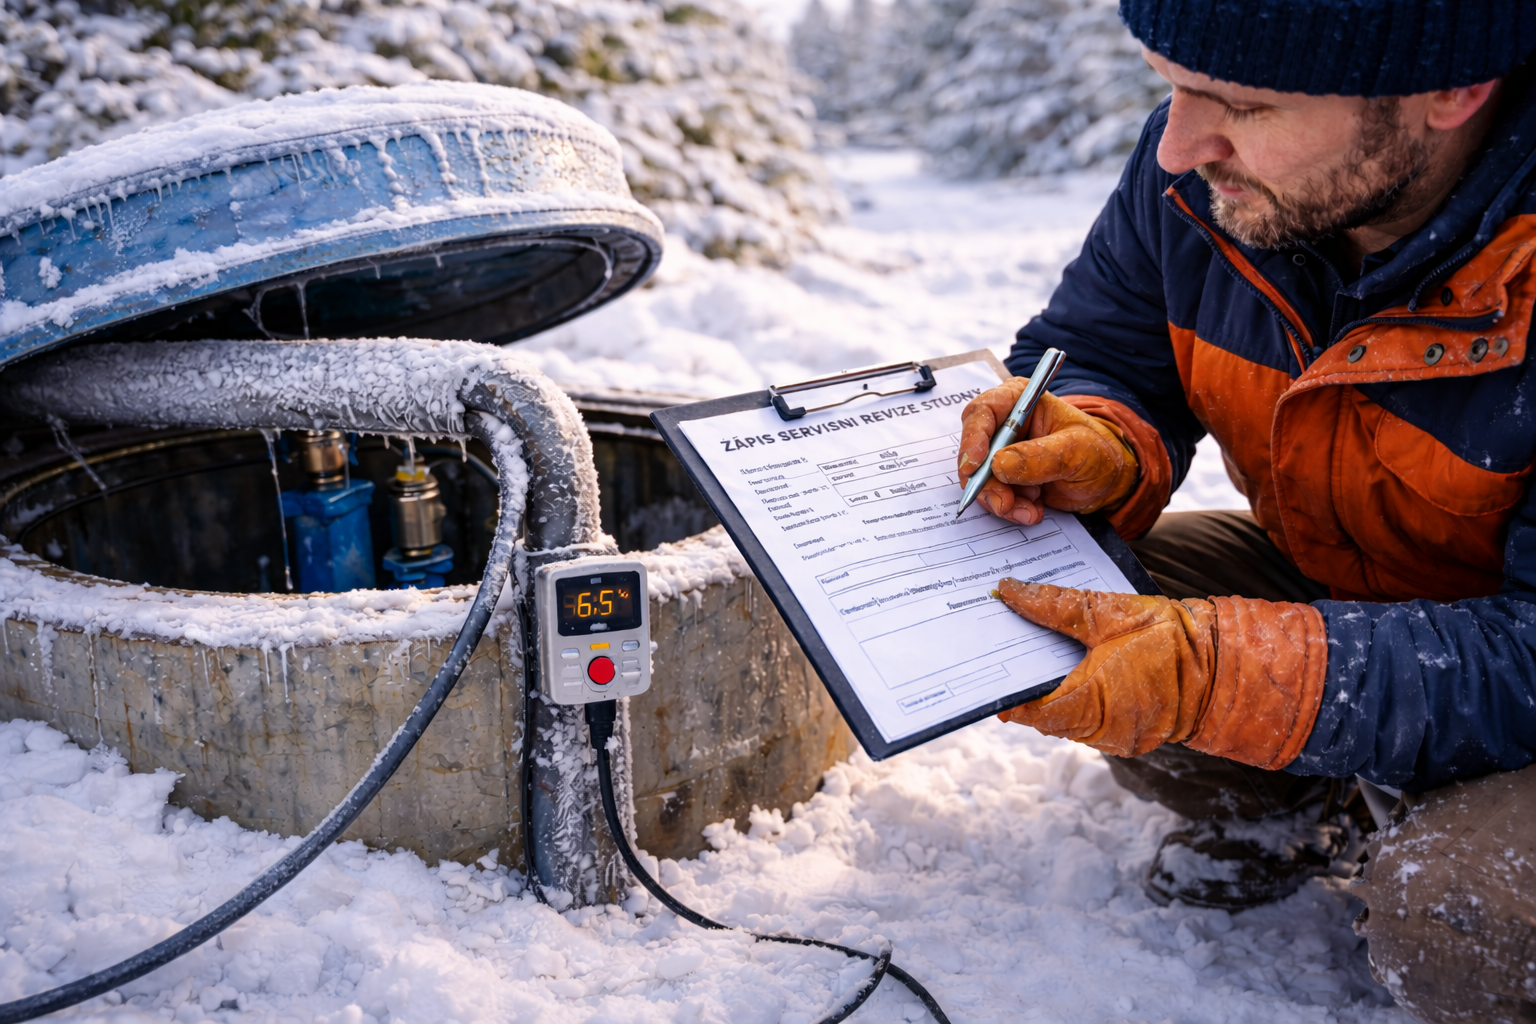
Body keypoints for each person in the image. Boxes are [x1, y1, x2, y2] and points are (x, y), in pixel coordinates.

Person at [958, 2, 1536, 1020]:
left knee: (1464, 914)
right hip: (1354, 582)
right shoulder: (1211, 174)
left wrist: (1231, 676)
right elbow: (1102, 346)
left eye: (1248, 105)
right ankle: (1311, 805)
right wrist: (1099, 438)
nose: (1178, 145)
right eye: (1170, 84)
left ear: (1450, 90)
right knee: (1064, 601)